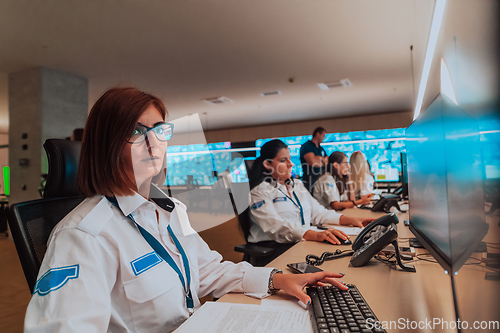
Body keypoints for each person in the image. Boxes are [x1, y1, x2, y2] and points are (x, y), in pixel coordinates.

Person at [24, 87, 349, 333]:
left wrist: (276, 279)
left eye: (160, 131)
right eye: (137, 132)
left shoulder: (168, 209)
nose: (154, 143)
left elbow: (209, 271)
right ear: (106, 143)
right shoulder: (82, 236)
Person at [248, 140, 373, 247]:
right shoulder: (259, 192)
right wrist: (315, 235)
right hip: (275, 248)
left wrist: (352, 220)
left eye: (290, 159)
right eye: (283, 160)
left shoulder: (297, 185)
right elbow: (276, 227)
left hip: (302, 241)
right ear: (267, 164)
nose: (290, 164)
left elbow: (319, 213)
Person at [299, 127, 328, 193]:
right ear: (318, 134)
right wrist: (322, 159)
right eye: (323, 135)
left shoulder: (321, 149)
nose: (324, 138)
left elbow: (328, 162)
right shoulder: (307, 146)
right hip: (310, 180)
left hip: (321, 179)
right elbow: (313, 162)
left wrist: (318, 158)